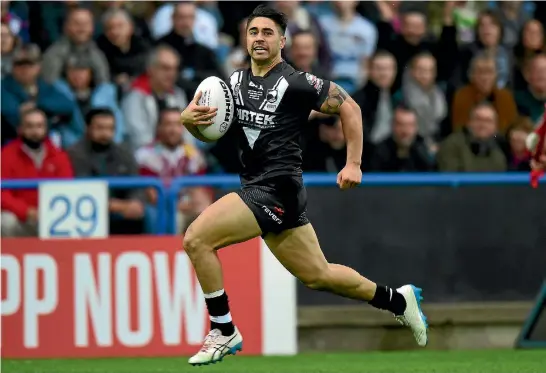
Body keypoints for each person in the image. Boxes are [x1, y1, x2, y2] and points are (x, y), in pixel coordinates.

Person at [179, 5, 428, 366]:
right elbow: (207, 131)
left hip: (276, 189)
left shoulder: (296, 83)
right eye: (253, 32)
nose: (259, 39)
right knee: (319, 275)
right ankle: (399, 300)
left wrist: (353, 163)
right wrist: (188, 121)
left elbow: (350, 108)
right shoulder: (231, 83)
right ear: (244, 39)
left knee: (196, 238)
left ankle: (224, 329)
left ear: (283, 40)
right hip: (263, 190)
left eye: (267, 33)